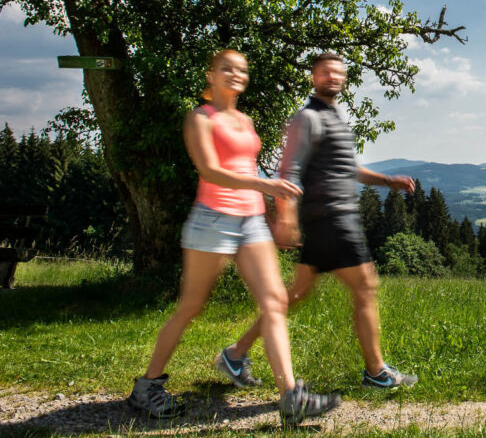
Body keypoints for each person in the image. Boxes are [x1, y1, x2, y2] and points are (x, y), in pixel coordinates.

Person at [128, 49, 340, 424]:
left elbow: (252, 166)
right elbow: (210, 170)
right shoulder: (200, 118)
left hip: (252, 220)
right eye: (226, 68)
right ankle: (147, 386)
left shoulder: (245, 120)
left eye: (241, 69)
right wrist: (265, 185)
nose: (235, 74)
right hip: (213, 219)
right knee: (191, 306)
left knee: (274, 301)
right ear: (211, 75)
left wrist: (275, 208)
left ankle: (291, 396)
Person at [216, 52, 418, 390]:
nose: (333, 78)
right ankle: (376, 371)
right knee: (366, 287)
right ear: (314, 77)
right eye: (325, 73)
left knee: (293, 295)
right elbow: (289, 169)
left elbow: (347, 169)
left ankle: (235, 355)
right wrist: (286, 216)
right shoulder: (307, 118)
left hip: (330, 217)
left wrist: (387, 181)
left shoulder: (335, 116)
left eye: (338, 73)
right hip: (331, 217)